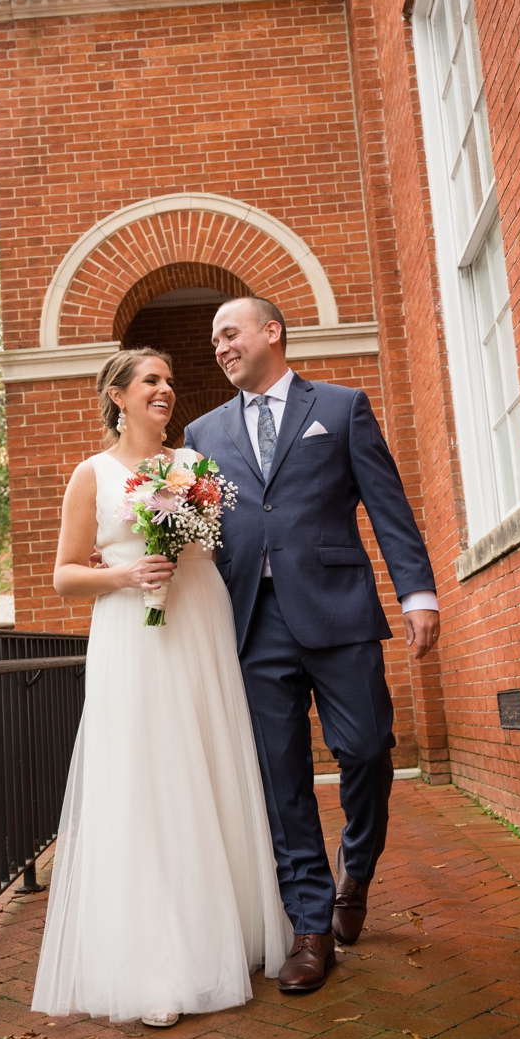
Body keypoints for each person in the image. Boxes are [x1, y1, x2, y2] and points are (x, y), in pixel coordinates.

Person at [184, 296, 439, 993]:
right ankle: (310, 924)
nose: (220, 347)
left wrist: (418, 593)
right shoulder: (201, 434)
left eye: (229, 333)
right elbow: (197, 534)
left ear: (271, 332)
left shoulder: (342, 405)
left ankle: (357, 868)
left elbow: (388, 505)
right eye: (213, 340)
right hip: (250, 621)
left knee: (365, 746)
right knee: (280, 773)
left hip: (340, 610)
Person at [33, 348, 292, 1028]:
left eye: (170, 381)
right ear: (117, 395)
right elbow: (63, 575)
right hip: (134, 639)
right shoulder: (92, 474)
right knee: (145, 782)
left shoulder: (193, 467)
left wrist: (181, 545)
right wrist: (125, 574)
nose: (166, 390)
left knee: (204, 767)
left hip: (199, 630)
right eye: (151, 380)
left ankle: (224, 934)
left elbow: (211, 552)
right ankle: (155, 961)